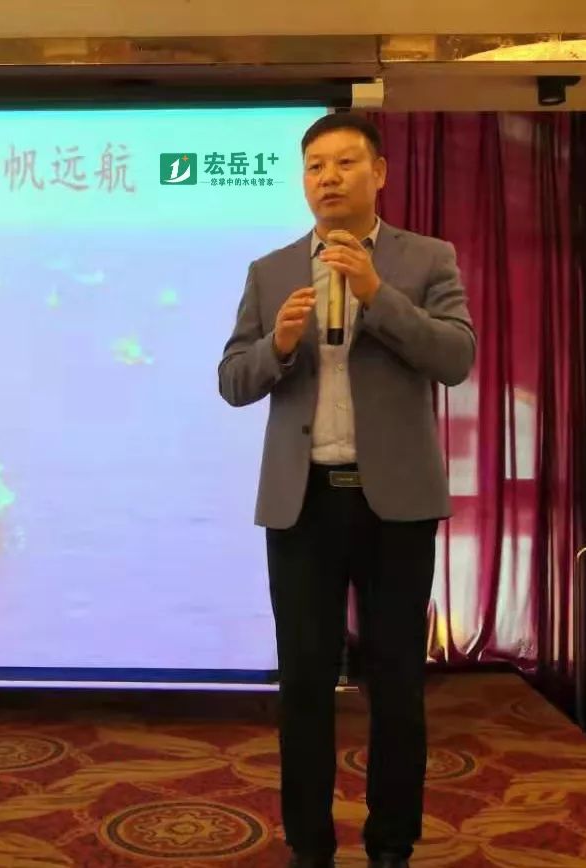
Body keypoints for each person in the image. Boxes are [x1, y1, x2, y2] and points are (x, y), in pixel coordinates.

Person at [217, 112, 476, 868]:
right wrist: (278, 345)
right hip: (302, 504)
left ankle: (392, 844)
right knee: (303, 683)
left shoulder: (426, 258)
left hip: (396, 505)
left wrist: (376, 294)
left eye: (344, 163)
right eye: (314, 167)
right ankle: (309, 844)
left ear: (379, 173)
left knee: (397, 682)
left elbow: (455, 357)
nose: (327, 179)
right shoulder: (270, 271)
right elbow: (232, 380)